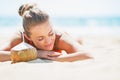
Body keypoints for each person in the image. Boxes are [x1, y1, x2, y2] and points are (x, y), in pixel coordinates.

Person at [0, 3, 92, 62]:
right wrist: (36, 54)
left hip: (69, 37)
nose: (48, 41)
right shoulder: (20, 38)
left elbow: (87, 55)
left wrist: (56, 58)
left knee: (77, 41)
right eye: (40, 38)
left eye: (50, 33)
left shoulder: (58, 38)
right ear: (28, 37)